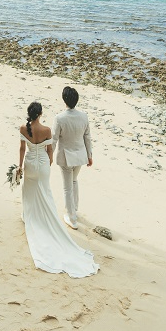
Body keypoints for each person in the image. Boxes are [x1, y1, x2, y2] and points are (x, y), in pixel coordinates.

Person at [17, 101, 98, 278]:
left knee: (29, 190)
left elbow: (22, 148)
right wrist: (50, 161)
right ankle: (50, 215)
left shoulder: (23, 128)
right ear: (40, 114)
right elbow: (49, 150)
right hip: (43, 164)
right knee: (45, 192)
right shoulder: (46, 130)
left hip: (29, 163)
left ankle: (28, 215)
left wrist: (20, 167)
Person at [52, 86, 92, 230]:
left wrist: (49, 156)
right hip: (80, 155)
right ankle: (74, 209)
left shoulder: (60, 118)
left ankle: (72, 217)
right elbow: (87, 137)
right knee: (74, 181)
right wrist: (89, 155)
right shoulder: (84, 116)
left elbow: (54, 139)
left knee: (67, 188)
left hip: (66, 157)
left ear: (64, 100)